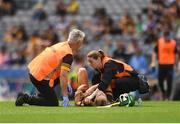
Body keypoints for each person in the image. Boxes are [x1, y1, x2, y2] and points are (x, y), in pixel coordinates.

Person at [15, 29, 85, 107]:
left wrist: (67, 83)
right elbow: (63, 75)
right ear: (78, 43)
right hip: (40, 77)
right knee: (52, 103)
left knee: (50, 92)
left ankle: (37, 96)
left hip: (35, 71)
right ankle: (26, 98)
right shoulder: (68, 54)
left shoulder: (61, 45)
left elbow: (59, 70)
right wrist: (65, 96)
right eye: (81, 42)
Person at [84, 50, 149, 102]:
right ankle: (114, 99)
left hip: (134, 80)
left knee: (117, 82)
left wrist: (91, 95)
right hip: (124, 80)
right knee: (97, 78)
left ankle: (117, 98)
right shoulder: (100, 68)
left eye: (91, 61)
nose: (90, 64)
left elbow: (105, 83)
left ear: (98, 59)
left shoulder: (108, 64)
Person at [151, 31, 179, 100]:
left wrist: (176, 64)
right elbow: (154, 52)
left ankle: (168, 97)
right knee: (160, 80)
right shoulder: (159, 42)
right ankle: (163, 93)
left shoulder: (173, 43)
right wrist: (153, 62)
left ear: (170, 36)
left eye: (168, 36)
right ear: (163, 36)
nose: (167, 38)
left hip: (170, 64)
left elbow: (176, 54)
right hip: (161, 64)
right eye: (165, 36)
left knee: (169, 81)